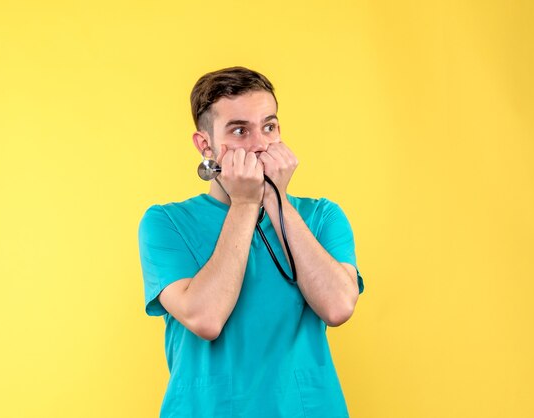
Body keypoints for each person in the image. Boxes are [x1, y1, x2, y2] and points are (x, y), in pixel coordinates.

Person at [138, 66, 364, 417]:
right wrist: (245, 203)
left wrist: (276, 200)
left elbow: (338, 307)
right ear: (205, 145)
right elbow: (206, 319)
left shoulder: (322, 216)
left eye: (269, 127)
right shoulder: (166, 223)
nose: (260, 144)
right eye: (240, 130)